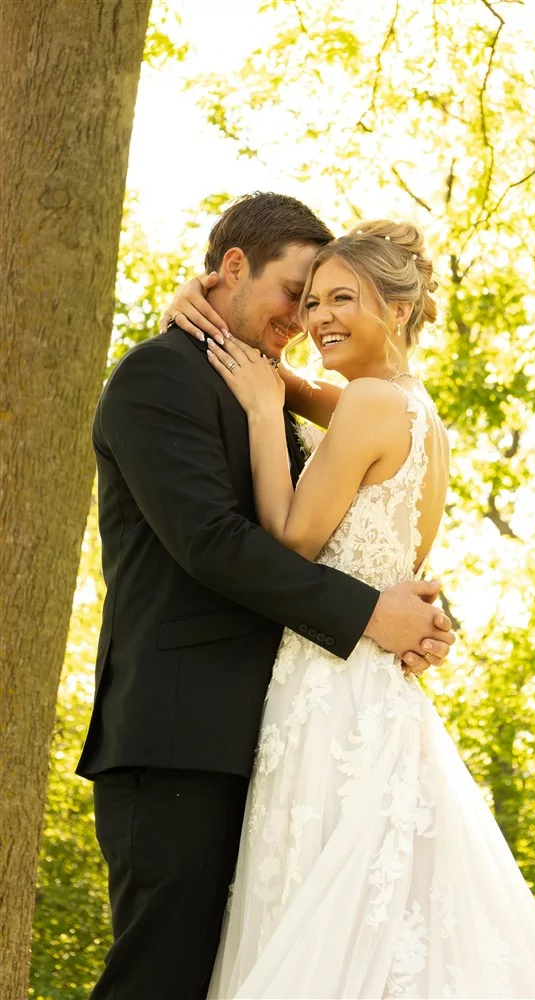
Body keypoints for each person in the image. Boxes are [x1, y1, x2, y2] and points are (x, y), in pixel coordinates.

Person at [168, 218, 535, 998]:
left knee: (316, 913)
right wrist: (228, 332)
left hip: (330, 697)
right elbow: (318, 398)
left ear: (396, 308)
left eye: (341, 299)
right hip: (380, 691)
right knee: (379, 920)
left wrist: (262, 411)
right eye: (311, 299)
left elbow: (290, 541)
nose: (317, 317)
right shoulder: (417, 413)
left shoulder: (364, 404)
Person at [76, 192, 455, 1000]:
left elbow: (350, 496)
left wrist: (400, 605)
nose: (303, 316)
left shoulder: (270, 386)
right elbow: (215, 544)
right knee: (161, 976)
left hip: (280, 735)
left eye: (326, 296)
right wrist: (371, 616)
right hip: (178, 739)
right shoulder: (157, 378)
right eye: (297, 292)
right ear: (234, 268)